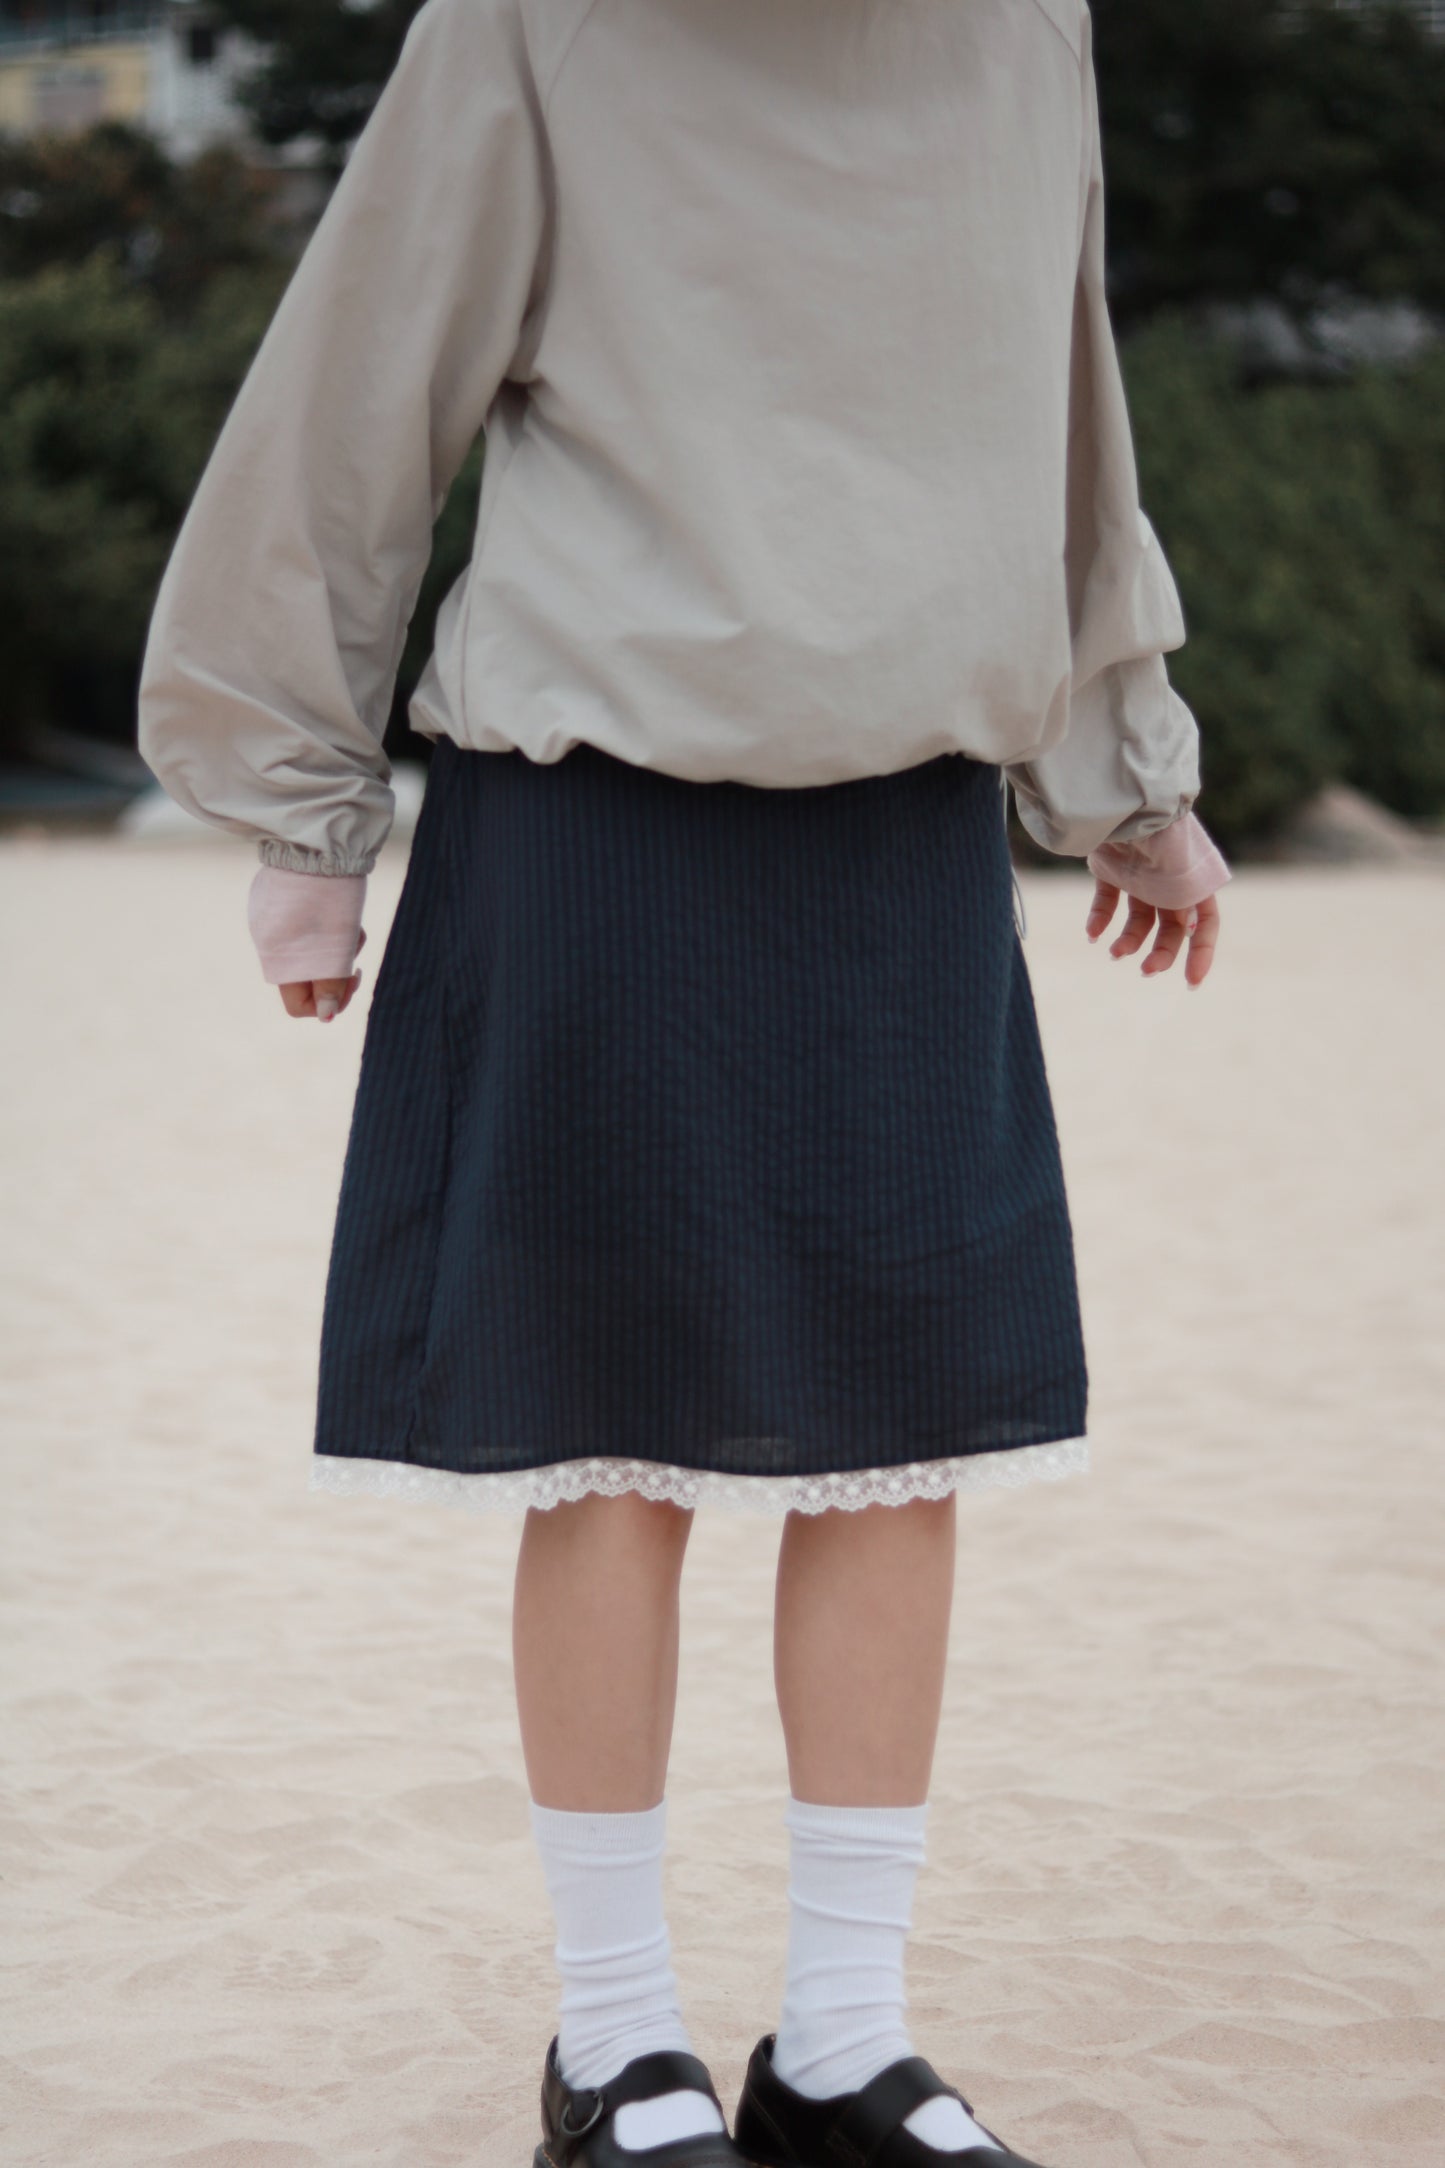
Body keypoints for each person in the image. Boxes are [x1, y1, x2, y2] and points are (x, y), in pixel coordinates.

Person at [137, 2, 1230, 2161]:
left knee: (903, 1436)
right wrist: (299, 811)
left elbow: (1063, 408)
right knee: (606, 1435)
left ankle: (842, 2042)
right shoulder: (534, 20)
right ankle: (617, 2045)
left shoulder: (1023, 27)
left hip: (905, 819)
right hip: (595, 814)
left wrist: (1129, 772)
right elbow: (355, 400)